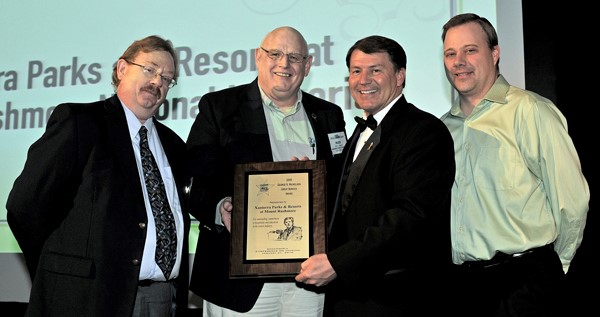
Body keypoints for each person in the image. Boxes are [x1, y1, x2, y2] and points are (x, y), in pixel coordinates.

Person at [6, 35, 190, 317]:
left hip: (163, 299)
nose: (157, 82)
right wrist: (58, 268)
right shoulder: (81, 123)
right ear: (122, 69)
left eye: (167, 78)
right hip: (88, 299)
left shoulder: (173, 145)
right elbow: (25, 206)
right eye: (150, 69)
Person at [186, 26, 346, 316]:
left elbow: (342, 188)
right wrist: (221, 207)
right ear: (258, 57)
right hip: (239, 281)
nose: (284, 64)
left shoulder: (328, 115)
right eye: (275, 54)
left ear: (307, 65)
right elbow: (191, 179)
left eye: (294, 57)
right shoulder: (220, 107)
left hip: (310, 277)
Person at [440, 13, 590, 316]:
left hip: (525, 282)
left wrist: (554, 268)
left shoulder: (531, 111)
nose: (459, 61)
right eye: (450, 53)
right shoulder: (442, 129)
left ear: (495, 53)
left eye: (470, 50)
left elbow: (572, 202)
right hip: (463, 288)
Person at [294, 35, 456, 316]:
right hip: (353, 297)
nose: (363, 80)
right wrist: (311, 183)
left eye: (375, 70)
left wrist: (338, 263)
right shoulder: (360, 131)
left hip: (396, 298)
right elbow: (353, 200)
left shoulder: (423, 131)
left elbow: (410, 216)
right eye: (356, 71)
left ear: (400, 76)